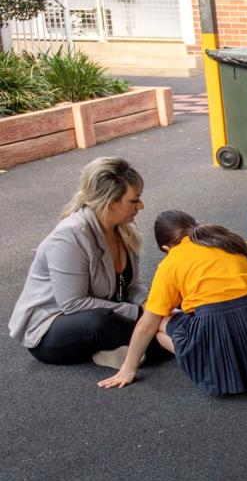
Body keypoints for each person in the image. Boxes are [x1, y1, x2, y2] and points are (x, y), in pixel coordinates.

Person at [97, 212, 247, 395]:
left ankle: (201, 358)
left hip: (213, 325)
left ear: (166, 248)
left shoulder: (172, 261)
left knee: (160, 321)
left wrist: (128, 368)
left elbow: (148, 323)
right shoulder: (235, 243)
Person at [10, 157, 152, 368]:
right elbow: (73, 304)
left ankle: (126, 348)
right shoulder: (70, 236)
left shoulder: (125, 229)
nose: (140, 205)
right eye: (134, 200)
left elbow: (131, 284)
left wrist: (149, 303)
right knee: (101, 322)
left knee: (164, 304)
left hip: (109, 311)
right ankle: (160, 341)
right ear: (110, 202)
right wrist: (141, 313)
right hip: (53, 328)